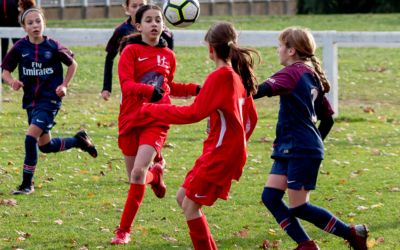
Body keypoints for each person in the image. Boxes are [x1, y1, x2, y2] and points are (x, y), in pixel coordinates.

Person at [142, 21, 259, 250]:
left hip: (221, 153)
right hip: (220, 150)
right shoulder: (236, 75)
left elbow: (193, 113)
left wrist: (151, 109)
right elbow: (251, 119)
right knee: (182, 198)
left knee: (190, 207)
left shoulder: (221, 77)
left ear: (211, 49)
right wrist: (237, 141)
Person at [253, 26, 369, 250]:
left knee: (299, 207)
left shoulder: (293, 73)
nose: (277, 50)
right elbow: (328, 120)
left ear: (291, 50)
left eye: (280, 45)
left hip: (298, 148)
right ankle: (306, 245)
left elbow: (259, 90)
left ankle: (352, 233)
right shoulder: (310, 74)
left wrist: (231, 88)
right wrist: (315, 144)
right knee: (270, 197)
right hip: (293, 148)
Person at [110, 5, 200, 245]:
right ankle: (156, 174)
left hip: (157, 118)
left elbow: (169, 87)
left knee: (138, 173)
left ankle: (123, 231)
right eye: (148, 20)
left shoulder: (169, 55)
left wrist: (195, 89)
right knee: (136, 177)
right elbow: (127, 86)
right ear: (138, 26)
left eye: (158, 20)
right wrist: (150, 91)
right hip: (131, 119)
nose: (154, 24)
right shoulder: (130, 52)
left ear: (163, 24)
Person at [1, 7, 98, 195]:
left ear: (44, 23)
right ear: (24, 27)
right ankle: (78, 141)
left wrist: (64, 85)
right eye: (30, 23)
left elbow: (72, 64)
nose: (35, 25)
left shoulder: (53, 45)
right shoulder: (20, 47)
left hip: (50, 101)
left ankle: (27, 184)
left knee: (30, 139)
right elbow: (5, 71)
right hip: (31, 102)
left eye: (38, 21)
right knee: (45, 146)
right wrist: (13, 82)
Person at [100, 0, 173, 101]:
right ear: (127, 9)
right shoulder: (121, 31)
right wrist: (106, 87)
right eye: (134, 6)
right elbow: (109, 58)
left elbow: (167, 64)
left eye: (141, 5)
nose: (138, 8)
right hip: (131, 88)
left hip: (155, 88)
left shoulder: (164, 33)